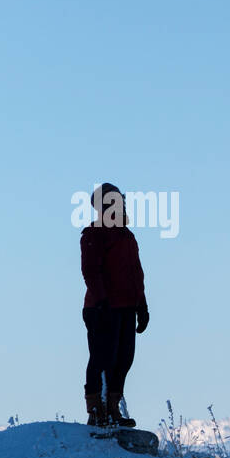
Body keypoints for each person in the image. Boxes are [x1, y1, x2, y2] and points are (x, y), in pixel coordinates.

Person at [81, 183, 150, 427]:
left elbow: (136, 274)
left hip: (127, 307)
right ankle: (96, 412)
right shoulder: (94, 234)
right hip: (102, 309)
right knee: (102, 358)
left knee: (124, 359)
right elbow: (91, 271)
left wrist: (141, 306)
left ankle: (112, 410)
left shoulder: (127, 236)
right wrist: (101, 302)